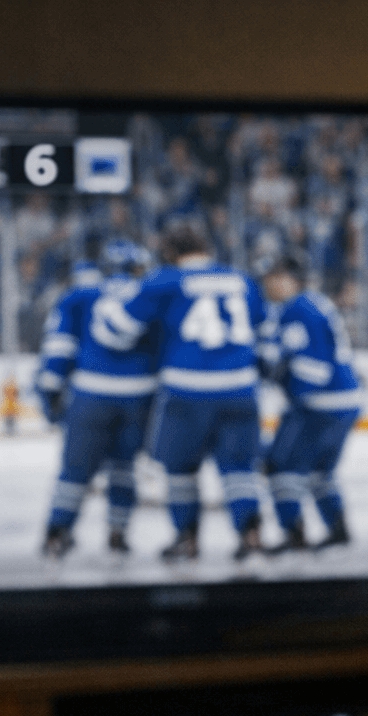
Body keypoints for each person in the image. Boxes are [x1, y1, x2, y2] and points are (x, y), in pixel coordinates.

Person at [92, 222, 268, 561]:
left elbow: (116, 331)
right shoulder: (241, 279)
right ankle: (251, 534)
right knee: (240, 469)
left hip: (188, 390)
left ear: (171, 253)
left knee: (181, 470)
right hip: (241, 387)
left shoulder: (165, 279)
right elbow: (262, 330)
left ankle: (187, 539)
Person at [38, 241, 157, 558]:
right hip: (139, 396)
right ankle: (118, 534)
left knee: (75, 470)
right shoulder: (151, 293)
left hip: (91, 395)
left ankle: (57, 533)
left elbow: (59, 345)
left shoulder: (80, 295)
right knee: (124, 467)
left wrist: (50, 388)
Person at [257, 254, 361, 553]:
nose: (269, 283)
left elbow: (313, 368)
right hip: (342, 402)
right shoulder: (314, 303)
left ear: (293, 279)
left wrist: (290, 390)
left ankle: (293, 533)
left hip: (319, 405)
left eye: (276, 276)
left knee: (280, 466)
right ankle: (337, 528)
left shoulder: (298, 309)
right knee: (319, 470)